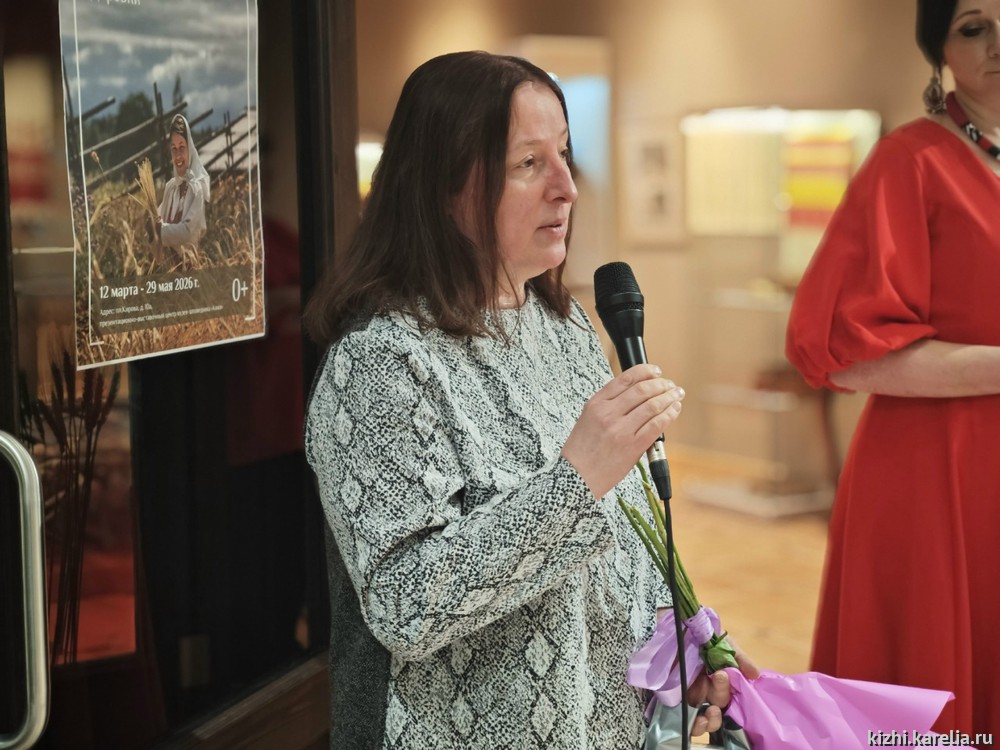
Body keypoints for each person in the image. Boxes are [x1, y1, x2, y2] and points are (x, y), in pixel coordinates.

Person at [303, 51, 752, 748]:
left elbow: (616, 547)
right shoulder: (379, 362)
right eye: (527, 164)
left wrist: (674, 661)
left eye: (564, 155)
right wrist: (577, 479)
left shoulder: (564, 326)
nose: (567, 188)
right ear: (443, 186)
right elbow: (403, 605)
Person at [785, 0, 1000, 736]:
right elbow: (843, 354)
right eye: (974, 27)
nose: (998, 42)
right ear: (938, 50)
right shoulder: (909, 161)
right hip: (936, 472)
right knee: (931, 693)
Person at [156, 113, 210, 267]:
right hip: (169, 272)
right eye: (174, 149)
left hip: (191, 270)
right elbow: (158, 220)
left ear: (190, 149)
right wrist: (152, 229)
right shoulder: (170, 188)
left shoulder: (196, 189)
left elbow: (187, 232)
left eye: (182, 147)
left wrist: (159, 231)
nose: (178, 155)